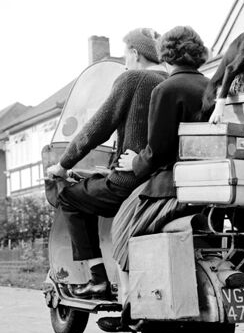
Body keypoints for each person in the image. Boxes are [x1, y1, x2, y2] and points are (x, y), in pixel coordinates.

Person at [97, 25, 209, 332]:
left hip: (168, 183)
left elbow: (157, 150)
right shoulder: (210, 86)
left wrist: (135, 162)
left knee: (120, 227)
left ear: (166, 53)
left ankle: (130, 310)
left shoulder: (167, 90)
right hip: (203, 181)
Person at [46, 28, 168, 299]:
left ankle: (97, 279)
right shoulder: (170, 81)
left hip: (130, 182)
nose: (125, 60)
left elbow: (97, 128)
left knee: (70, 197)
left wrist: (63, 165)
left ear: (135, 53)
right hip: (163, 181)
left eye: (126, 53)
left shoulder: (132, 79)